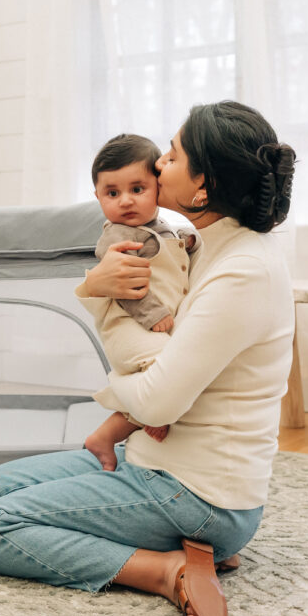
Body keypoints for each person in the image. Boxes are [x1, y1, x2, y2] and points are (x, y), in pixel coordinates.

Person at [0, 100, 296, 616]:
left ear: (203, 187)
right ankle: (191, 548)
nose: (158, 165)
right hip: (155, 458)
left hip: (200, 493)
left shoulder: (244, 271)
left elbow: (161, 398)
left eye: (171, 155)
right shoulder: (201, 246)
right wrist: (95, 288)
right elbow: (149, 348)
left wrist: (114, 385)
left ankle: (167, 567)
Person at [81, 133, 199, 471]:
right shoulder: (118, 237)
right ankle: (150, 414)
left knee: (171, 369)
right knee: (168, 368)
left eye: (137, 189)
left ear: (157, 187)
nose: (126, 202)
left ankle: (104, 437)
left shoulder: (159, 227)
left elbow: (166, 253)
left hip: (148, 327)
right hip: (129, 326)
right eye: (112, 193)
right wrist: (152, 315)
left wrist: (185, 244)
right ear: (98, 196)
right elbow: (124, 286)